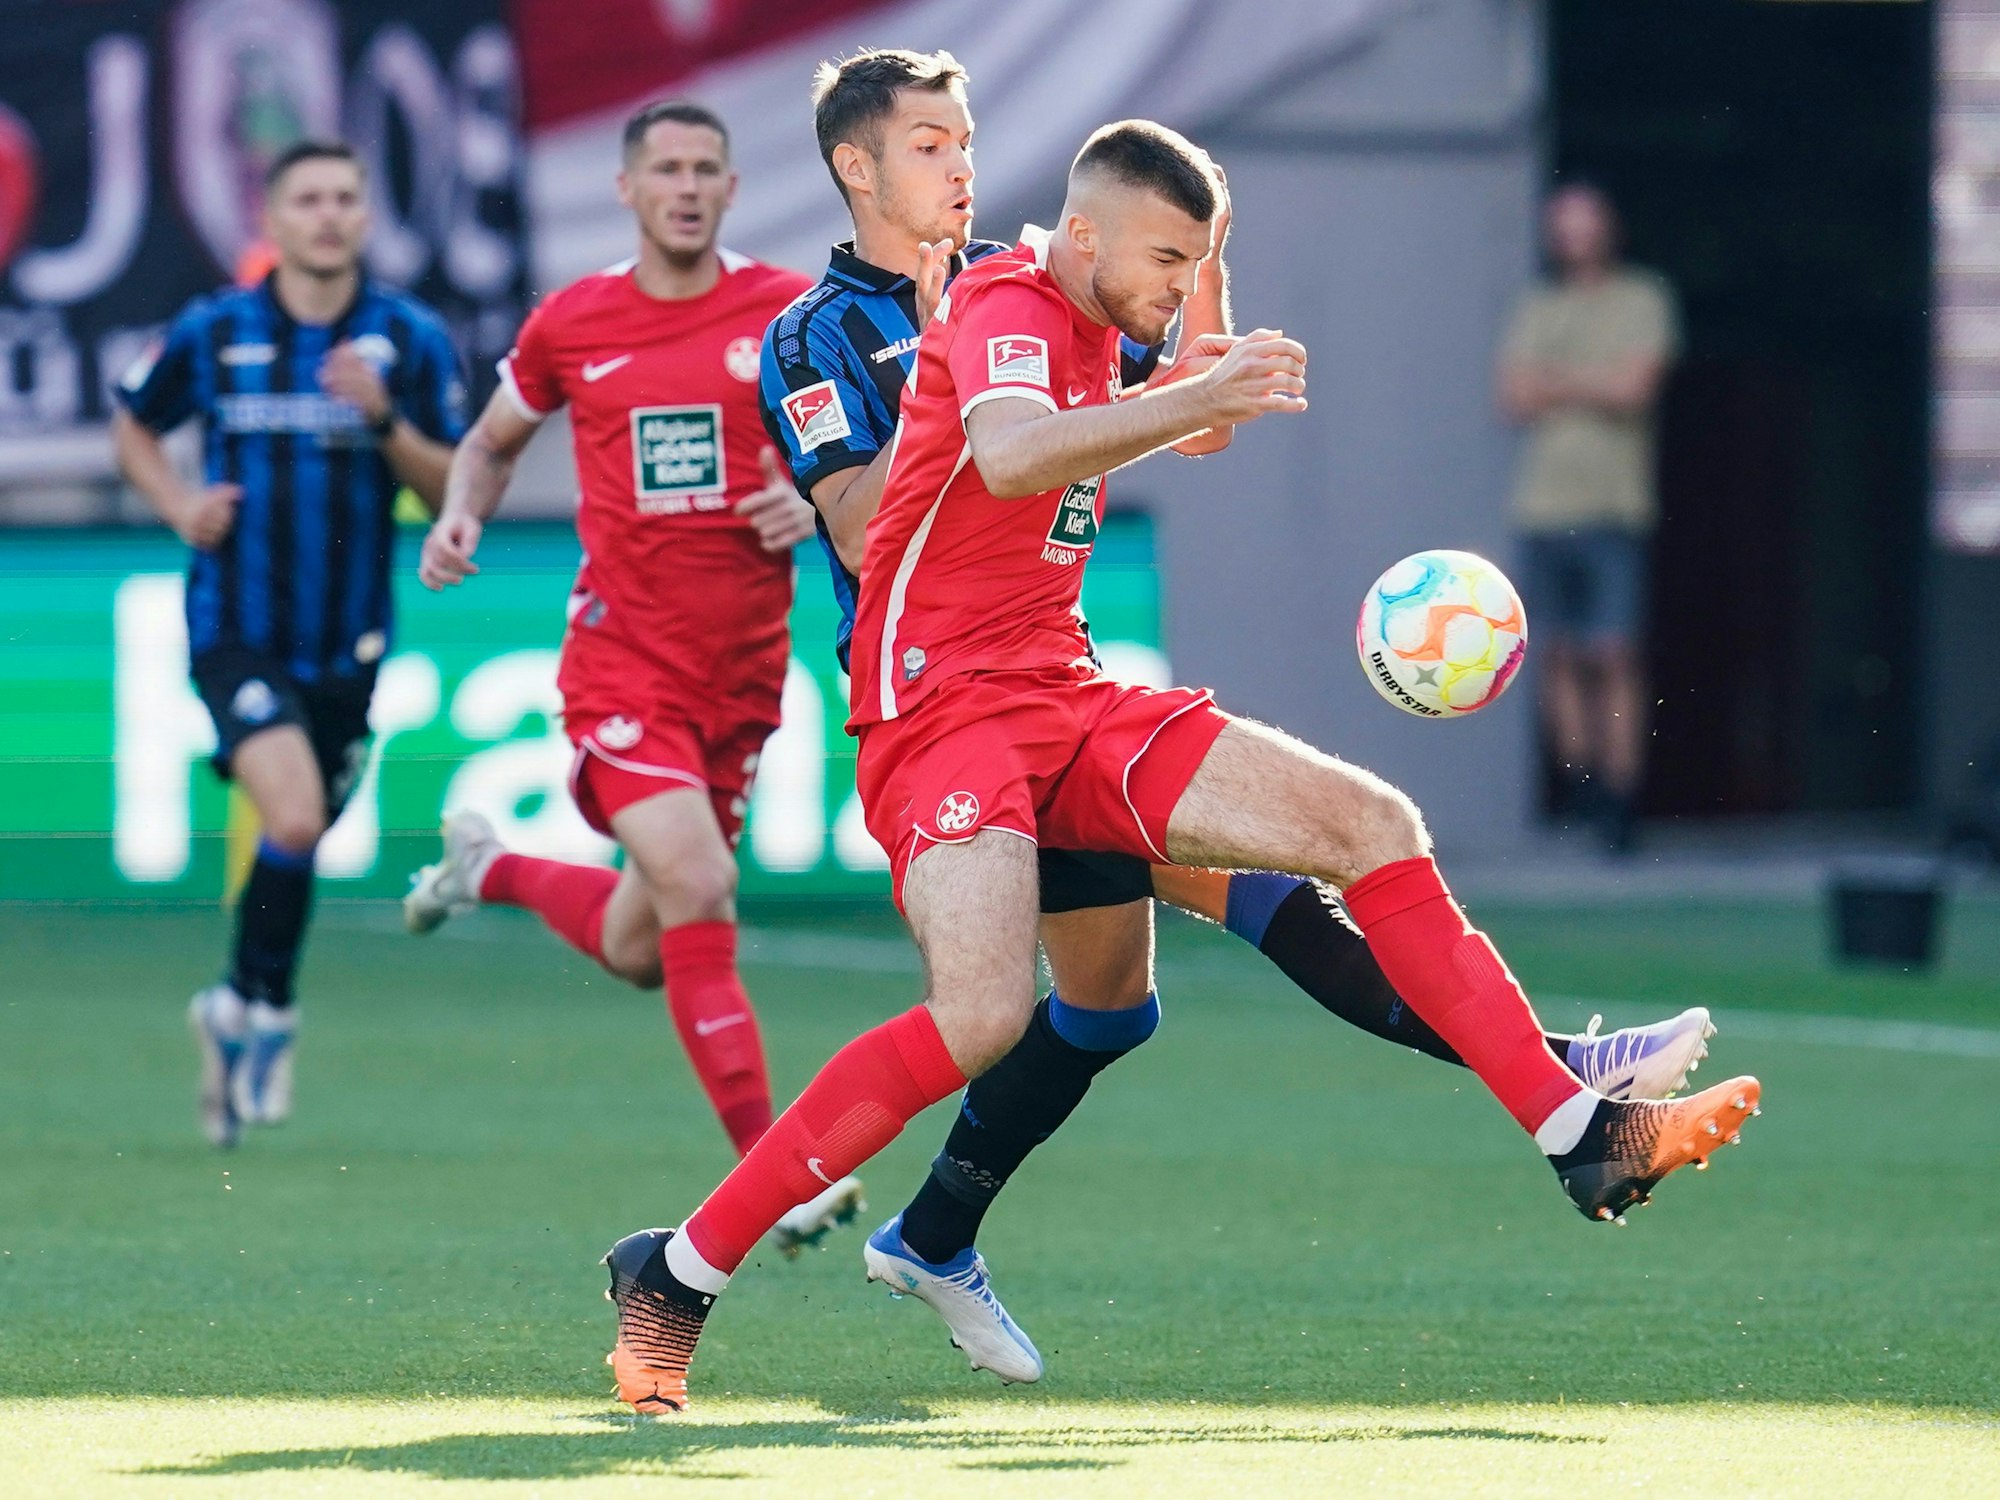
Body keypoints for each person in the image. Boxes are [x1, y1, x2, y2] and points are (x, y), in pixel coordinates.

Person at [600, 118, 1762, 1415]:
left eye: (1188, 258)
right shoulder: (1005, 297)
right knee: (986, 1019)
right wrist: (1195, 390)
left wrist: (1209, 279)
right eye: (1162, 256)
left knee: (1365, 824)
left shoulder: (1110, 312)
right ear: (1085, 236)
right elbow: (1011, 451)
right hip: (940, 712)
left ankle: (1578, 1133)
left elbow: (1192, 415)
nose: (1171, 284)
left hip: (1066, 695)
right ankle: (680, 1270)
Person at [401, 101, 864, 1254]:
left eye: (708, 167)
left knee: (639, 945)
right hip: (623, 665)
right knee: (698, 887)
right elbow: (493, 439)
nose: (688, 187)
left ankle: (489, 868)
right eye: (667, 168)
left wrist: (810, 501)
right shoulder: (574, 322)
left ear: (729, 187)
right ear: (628, 189)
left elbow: (878, 451)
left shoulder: (786, 316)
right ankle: (778, 1179)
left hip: (741, 681)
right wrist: (459, 513)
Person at [113, 139, 467, 1148]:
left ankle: (240, 1003)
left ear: (365, 216)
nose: (327, 215)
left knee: (296, 837)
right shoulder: (217, 329)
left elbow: (450, 488)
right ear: (271, 219)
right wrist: (179, 502)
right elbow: (134, 424)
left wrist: (384, 418)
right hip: (236, 626)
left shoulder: (408, 336)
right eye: (307, 198)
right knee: (300, 814)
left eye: (345, 198)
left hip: (346, 645)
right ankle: (267, 1014)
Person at [1498, 183, 1680, 853]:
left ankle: (1621, 794)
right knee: (1556, 654)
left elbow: (1635, 389)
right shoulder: (1537, 304)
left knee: (1614, 652)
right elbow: (1512, 396)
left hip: (1614, 505)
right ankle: (1582, 784)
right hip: (1544, 506)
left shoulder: (1642, 299)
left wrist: (1557, 382)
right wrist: (1591, 383)